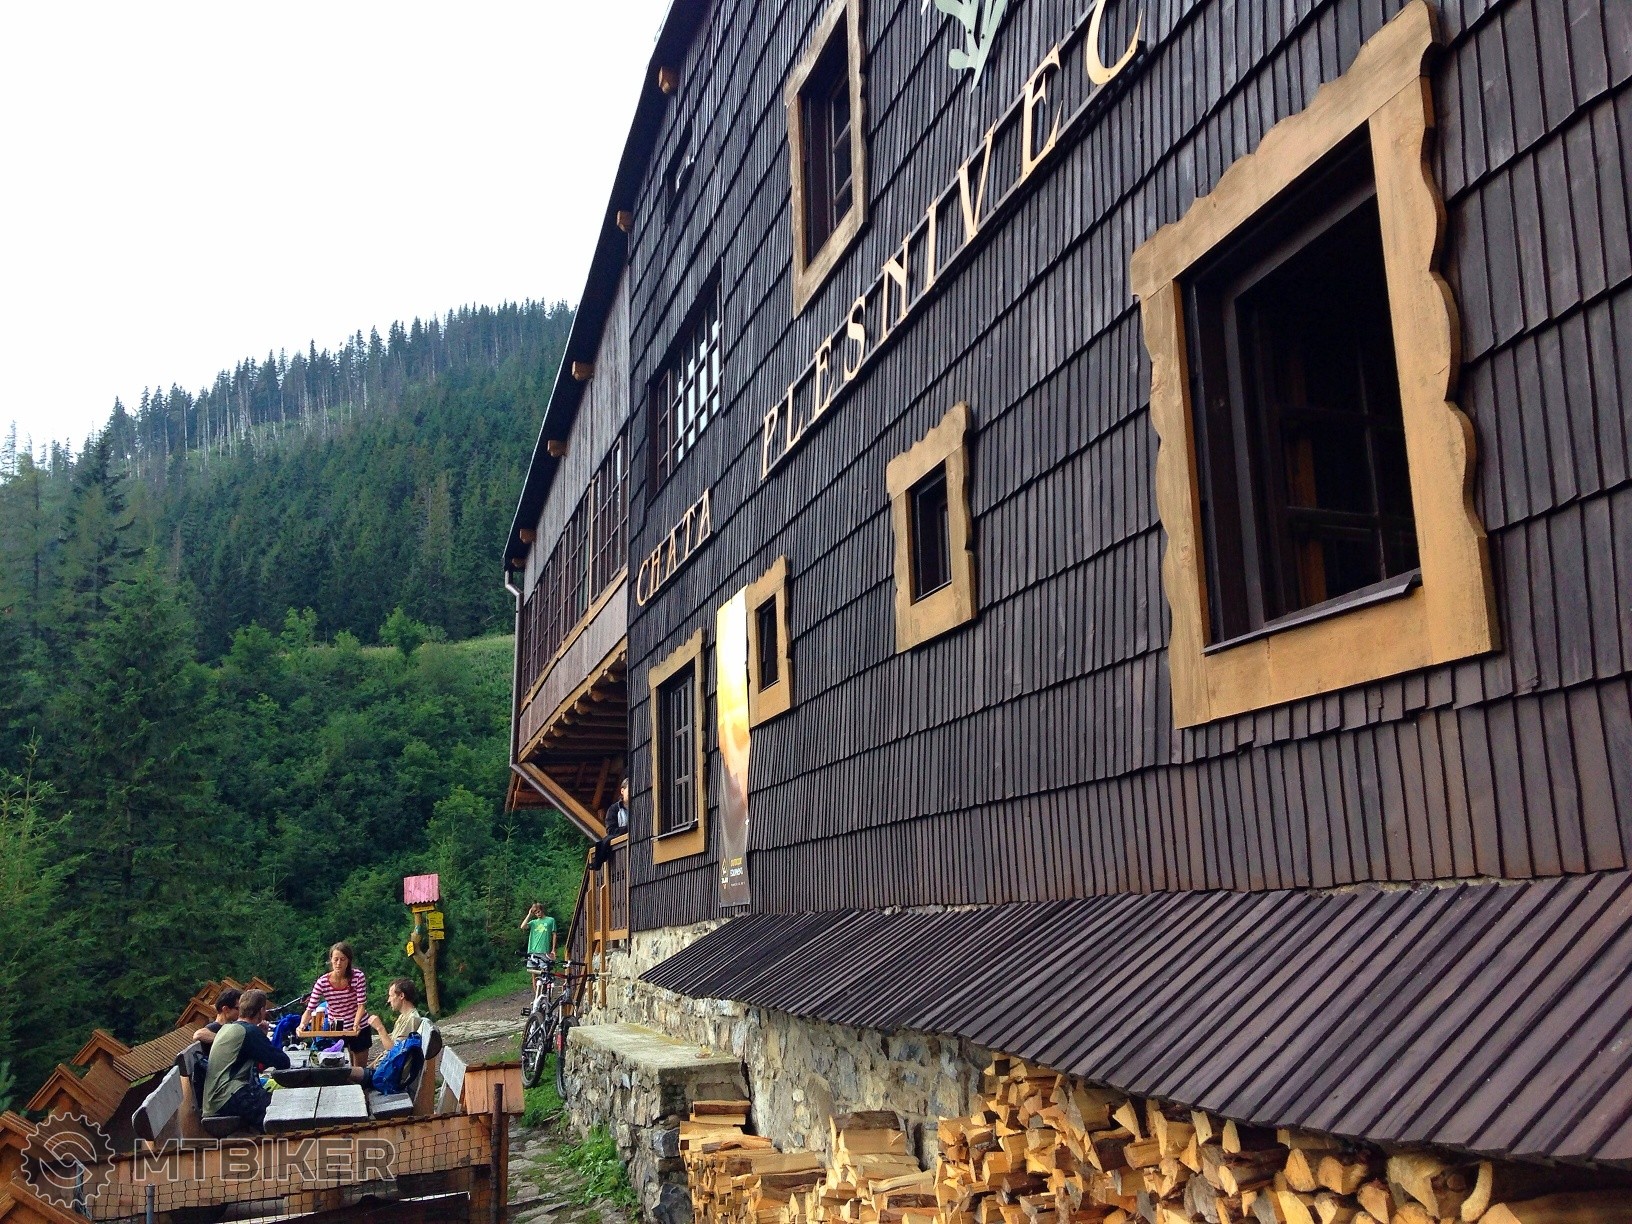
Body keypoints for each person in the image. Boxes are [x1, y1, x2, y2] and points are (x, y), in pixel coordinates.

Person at [201, 989, 290, 1131]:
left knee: (276, 1102)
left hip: (217, 1099)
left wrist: (261, 1036)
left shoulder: (228, 1028)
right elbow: (282, 1062)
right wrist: (261, 1037)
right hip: (228, 1098)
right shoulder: (249, 1032)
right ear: (261, 1011)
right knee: (283, 1111)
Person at [301, 941, 371, 1068]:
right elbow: (310, 1009)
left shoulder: (357, 977)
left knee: (360, 1069)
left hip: (359, 1025)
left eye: (342, 959)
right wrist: (302, 1025)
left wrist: (356, 1025)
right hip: (337, 1028)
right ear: (331, 960)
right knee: (338, 1067)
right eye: (336, 959)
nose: (339, 963)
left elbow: (361, 1005)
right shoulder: (322, 982)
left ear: (348, 961)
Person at [350, 978, 422, 1085]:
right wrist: (369, 1067)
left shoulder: (412, 1019)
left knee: (343, 1073)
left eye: (391, 996)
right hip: (383, 1070)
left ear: (401, 996)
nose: (388, 1000)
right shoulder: (404, 1017)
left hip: (388, 1076)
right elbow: (389, 1051)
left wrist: (380, 1028)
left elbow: (393, 1051)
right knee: (343, 1073)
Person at [589, 778, 630, 869]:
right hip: (620, 851)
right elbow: (610, 830)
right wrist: (629, 828)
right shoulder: (613, 809)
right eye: (629, 789)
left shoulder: (638, 806)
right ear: (622, 791)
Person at [520, 903, 556, 992]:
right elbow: (523, 926)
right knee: (534, 973)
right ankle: (536, 995)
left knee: (544, 972)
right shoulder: (533, 922)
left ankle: (544, 993)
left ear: (542, 910)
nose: (538, 914)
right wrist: (529, 914)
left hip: (544, 950)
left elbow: (554, 934)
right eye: (535, 913)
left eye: (538, 911)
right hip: (532, 950)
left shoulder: (550, 920)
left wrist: (553, 949)